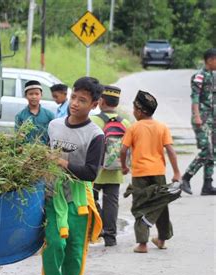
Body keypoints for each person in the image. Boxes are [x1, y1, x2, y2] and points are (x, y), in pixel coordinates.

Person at [40, 77, 104, 275]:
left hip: (79, 200)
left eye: (83, 100)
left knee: (75, 253)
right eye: (74, 97)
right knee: (54, 244)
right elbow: (43, 156)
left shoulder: (95, 135)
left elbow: (90, 173)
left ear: (94, 105)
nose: (75, 104)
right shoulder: (54, 126)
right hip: (53, 194)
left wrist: (61, 161)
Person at [120, 90, 181, 254]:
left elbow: (123, 150)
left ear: (139, 111)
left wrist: (124, 167)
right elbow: (171, 150)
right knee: (160, 203)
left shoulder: (133, 128)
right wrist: (176, 172)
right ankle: (162, 239)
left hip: (139, 174)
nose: (133, 112)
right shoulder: (162, 127)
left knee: (141, 205)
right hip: (158, 172)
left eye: (134, 109)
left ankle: (142, 244)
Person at [90, 86, 131, 246]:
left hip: (95, 170)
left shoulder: (94, 121)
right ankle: (110, 237)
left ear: (101, 101)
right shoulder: (126, 123)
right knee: (112, 203)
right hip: (116, 170)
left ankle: (96, 229)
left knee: (91, 200)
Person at [181, 48, 216, 195]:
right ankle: (186, 178)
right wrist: (196, 116)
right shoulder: (199, 76)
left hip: (212, 119)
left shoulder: (213, 76)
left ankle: (207, 185)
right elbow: (195, 97)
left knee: (213, 151)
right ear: (210, 60)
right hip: (201, 118)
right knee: (206, 150)